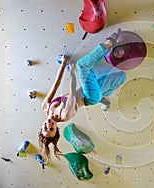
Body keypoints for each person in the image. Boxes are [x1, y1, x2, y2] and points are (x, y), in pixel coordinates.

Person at [39, 28, 126, 164]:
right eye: (51, 129)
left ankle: (105, 96)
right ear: (56, 129)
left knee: (121, 76)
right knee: (82, 66)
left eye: (45, 128)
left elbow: (56, 85)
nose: (49, 125)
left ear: (42, 126)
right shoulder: (64, 116)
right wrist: (72, 72)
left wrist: (63, 64)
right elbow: (72, 92)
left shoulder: (45, 107)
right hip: (89, 96)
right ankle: (108, 44)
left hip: (87, 91)